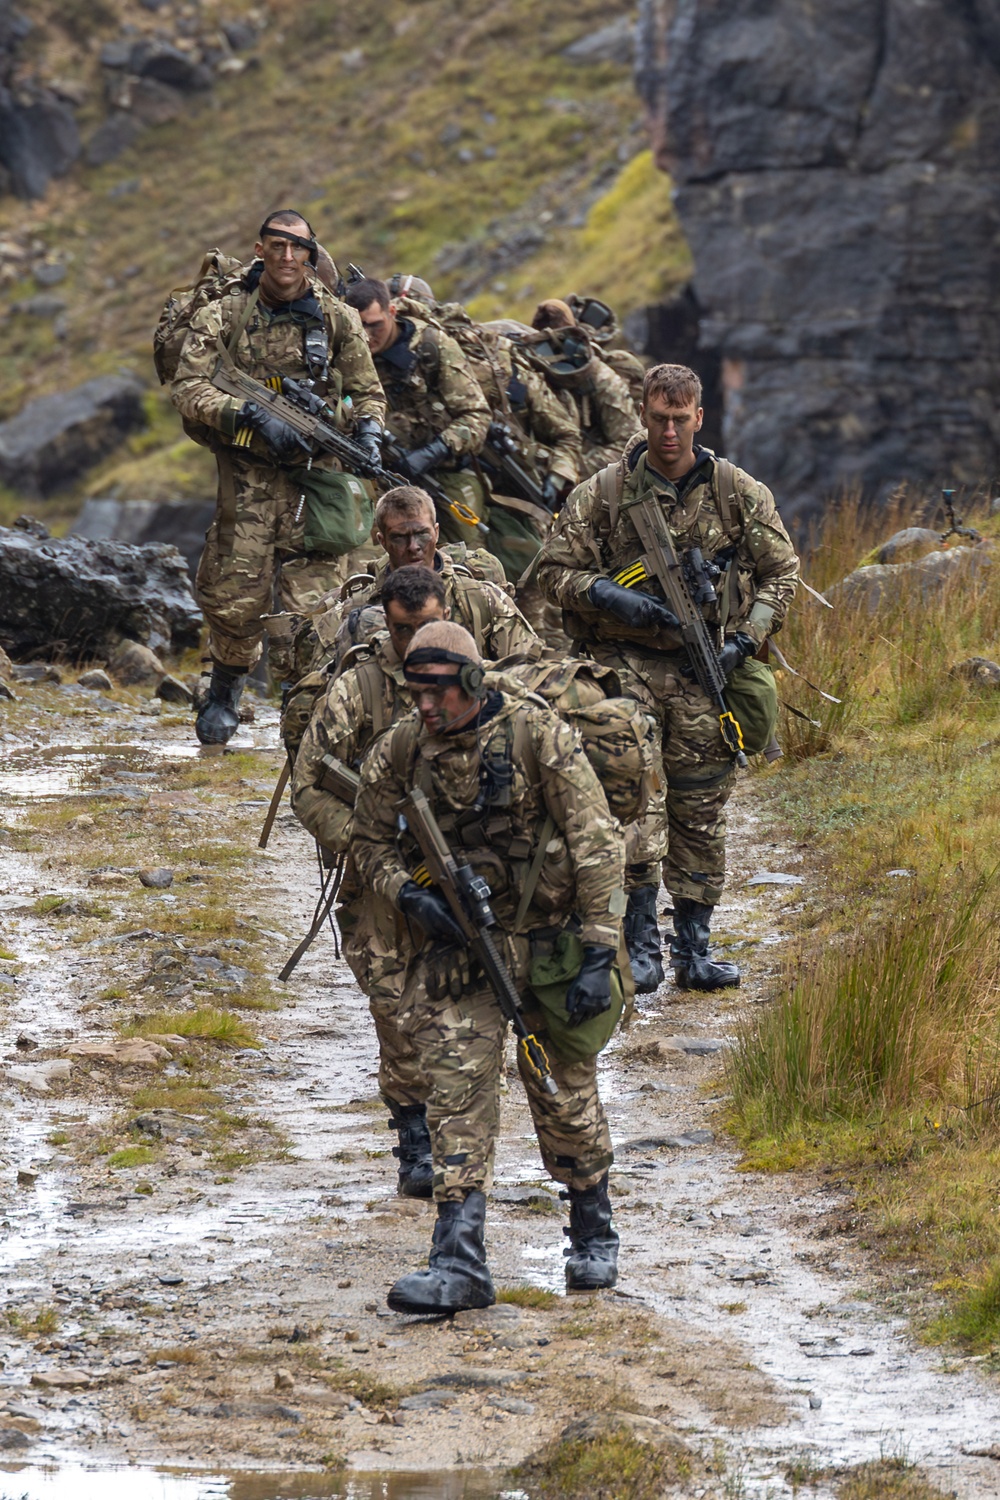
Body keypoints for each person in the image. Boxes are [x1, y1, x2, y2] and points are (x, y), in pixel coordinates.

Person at [351, 621, 627, 1311]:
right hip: (462, 952)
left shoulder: (540, 738)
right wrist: (409, 896)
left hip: (549, 944)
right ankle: (459, 1258)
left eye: (437, 693)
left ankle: (593, 1225)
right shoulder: (403, 750)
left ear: (473, 682)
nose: (424, 707)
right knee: (454, 1092)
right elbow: (366, 840)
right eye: (414, 693)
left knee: (562, 1093)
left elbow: (596, 842)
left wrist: (598, 950)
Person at [535, 362, 799, 991]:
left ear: (699, 418)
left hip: (707, 670)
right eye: (659, 419)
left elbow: (782, 574)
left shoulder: (739, 493)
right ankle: (641, 945)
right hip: (626, 671)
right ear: (643, 416)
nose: (670, 432)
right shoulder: (603, 494)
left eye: (681, 420)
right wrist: (608, 595)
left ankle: (695, 948)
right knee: (634, 805)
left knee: (702, 808)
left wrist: (745, 639)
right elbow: (551, 573)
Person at [171, 209, 385, 745]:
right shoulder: (226, 314)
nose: (287, 258)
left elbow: (369, 391)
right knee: (233, 597)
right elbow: (189, 388)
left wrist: (368, 435)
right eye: (277, 246)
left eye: (298, 248)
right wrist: (248, 415)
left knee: (314, 604)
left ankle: (305, 701)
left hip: (316, 481)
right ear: (262, 248)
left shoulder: (337, 318)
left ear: (312, 253)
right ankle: (225, 685)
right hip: (247, 476)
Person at [291, 566, 451, 1198]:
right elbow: (309, 785)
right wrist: (370, 844)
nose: (416, 641)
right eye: (405, 628)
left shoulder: (469, 680)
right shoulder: (357, 690)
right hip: (379, 880)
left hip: (456, 873)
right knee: (393, 1003)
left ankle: (456, 1133)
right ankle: (413, 1134)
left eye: (428, 626)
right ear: (387, 621)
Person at [301, 484, 538, 675]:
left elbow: (526, 671)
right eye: (400, 538)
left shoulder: (482, 599)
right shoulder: (354, 607)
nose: (413, 547)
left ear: (436, 531)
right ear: (382, 542)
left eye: (422, 534)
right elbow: (319, 690)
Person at [343, 276, 491, 547]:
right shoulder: (346, 351)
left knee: (463, 554)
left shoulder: (431, 346)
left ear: (392, 312)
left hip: (442, 471)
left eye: (374, 325)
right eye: (358, 325)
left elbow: (476, 416)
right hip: (377, 474)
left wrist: (433, 452)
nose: (365, 335)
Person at [528, 299, 639, 478]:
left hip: (595, 474)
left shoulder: (598, 374)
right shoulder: (528, 369)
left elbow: (631, 444)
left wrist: (571, 470)